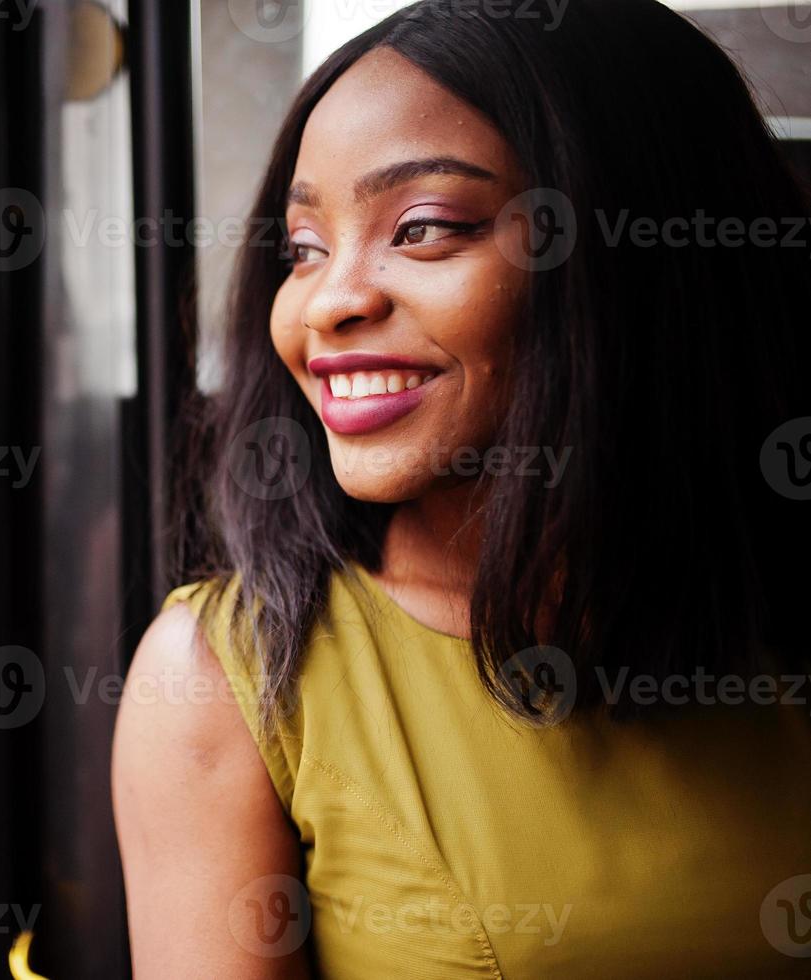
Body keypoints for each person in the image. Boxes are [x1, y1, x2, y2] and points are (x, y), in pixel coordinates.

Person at [111, 1, 811, 976]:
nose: (331, 298)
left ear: (640, 258)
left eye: (426, 227)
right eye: (305, 247)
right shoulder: (227, 677)